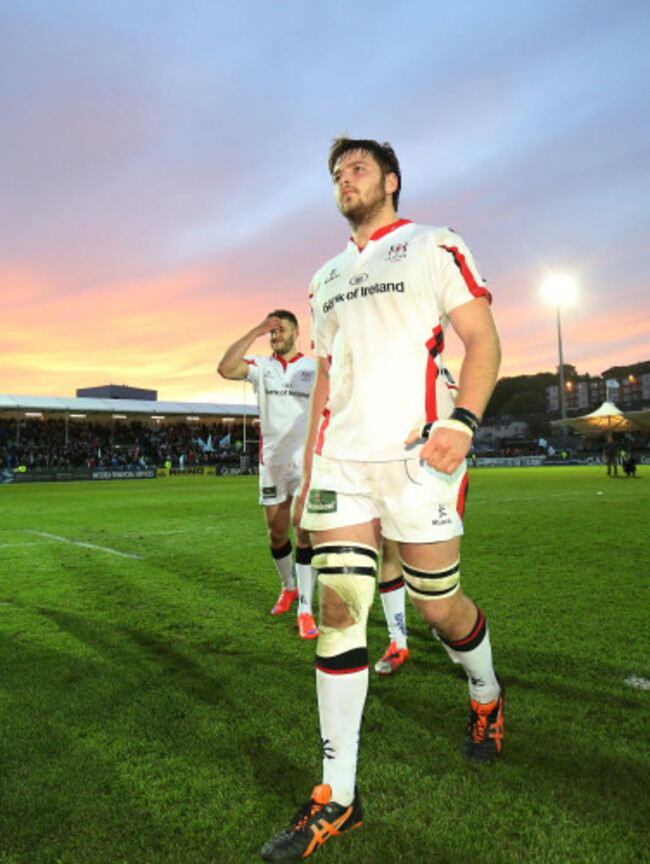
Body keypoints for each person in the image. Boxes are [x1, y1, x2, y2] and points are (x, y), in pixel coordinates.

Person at [261, 137, 503, 862]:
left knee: (437, 606)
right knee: (338, 614)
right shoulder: (326, 275)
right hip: (342, 464)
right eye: (337, 174)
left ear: (390, 181)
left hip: (416, 453)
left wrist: (464, 423)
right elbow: (327, 381)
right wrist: (307, 477)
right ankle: (338, 796)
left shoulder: (435, 245)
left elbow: (482, 340)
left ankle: (486, 696)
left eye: (358, 168)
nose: (346, 180)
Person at [217, 310, 319, 640]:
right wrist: (257, 329)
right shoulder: (262, 368)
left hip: (305, 463)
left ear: (295, 332)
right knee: (277, 534)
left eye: (280, 330)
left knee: (304, 531)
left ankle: (306, 608)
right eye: (271, 332)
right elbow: (225, 368)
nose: (275, 336)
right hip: (272, 463)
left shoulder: (314, 368)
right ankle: (288, 588)